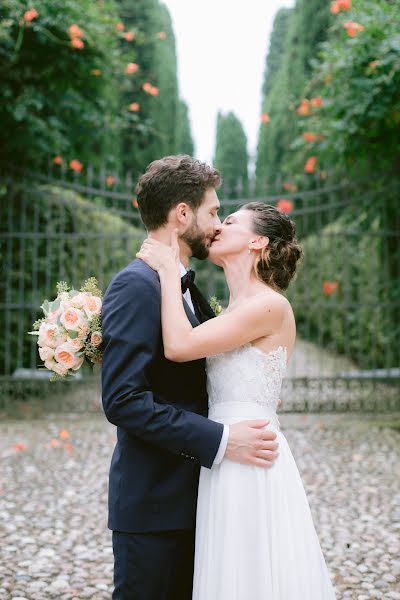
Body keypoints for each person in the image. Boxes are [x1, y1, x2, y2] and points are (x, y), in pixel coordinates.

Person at [137, 201, 337, 599]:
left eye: (229, 222)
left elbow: (179, 346)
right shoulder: (230, 310)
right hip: (226, 450)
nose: (217, 227)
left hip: (252, 457)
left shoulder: (269, 304)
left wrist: (163, 270)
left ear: (258, 241)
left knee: (252, 570)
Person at [101, 155, 279, 600]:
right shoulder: (136, 285)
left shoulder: (184, 288)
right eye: (214, 211)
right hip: (154, 508)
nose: (218, 223)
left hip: (199, 500)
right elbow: (123, 399)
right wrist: (221, 440)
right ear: (183, 214)